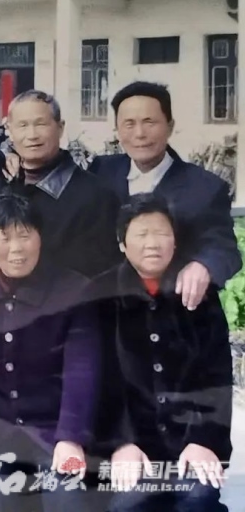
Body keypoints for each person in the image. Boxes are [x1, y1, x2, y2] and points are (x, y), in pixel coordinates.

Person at [0, 192, 101, 512]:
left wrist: (70, 438)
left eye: (24, 236)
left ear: (40, 237)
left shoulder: (75, 289)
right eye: (4, 237)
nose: (16, 249)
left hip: (55, 432)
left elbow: (82, 369)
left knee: (68, 499)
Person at [93, 193, 232, 511]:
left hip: (190, 441)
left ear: (175, 241)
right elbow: (97, 382)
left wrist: (203, 440)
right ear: (122, 243)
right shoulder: (99, 295)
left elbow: (218, 376)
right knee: (129, 503)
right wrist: (121, 443)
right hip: (131, 445)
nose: (152, 243)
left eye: (161, 233)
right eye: (141, 234)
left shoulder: (200, 295)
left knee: (198, 499)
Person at [89, 81, 241, 308]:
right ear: (117, 130)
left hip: (175, 311)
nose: (139, 134)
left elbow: (224, 249)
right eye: (129, 124)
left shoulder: (205, 187)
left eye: (149, 122)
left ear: (170, 126)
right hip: (109, 311)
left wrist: (203, 266)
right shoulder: (101, 171)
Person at [2, 89, 120, 278]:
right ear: (10, 131)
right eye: (22, 125)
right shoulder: (3, 187)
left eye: (41, 124)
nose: (32, 135)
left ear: (60, 127)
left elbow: (98, 273)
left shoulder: (95, 196)